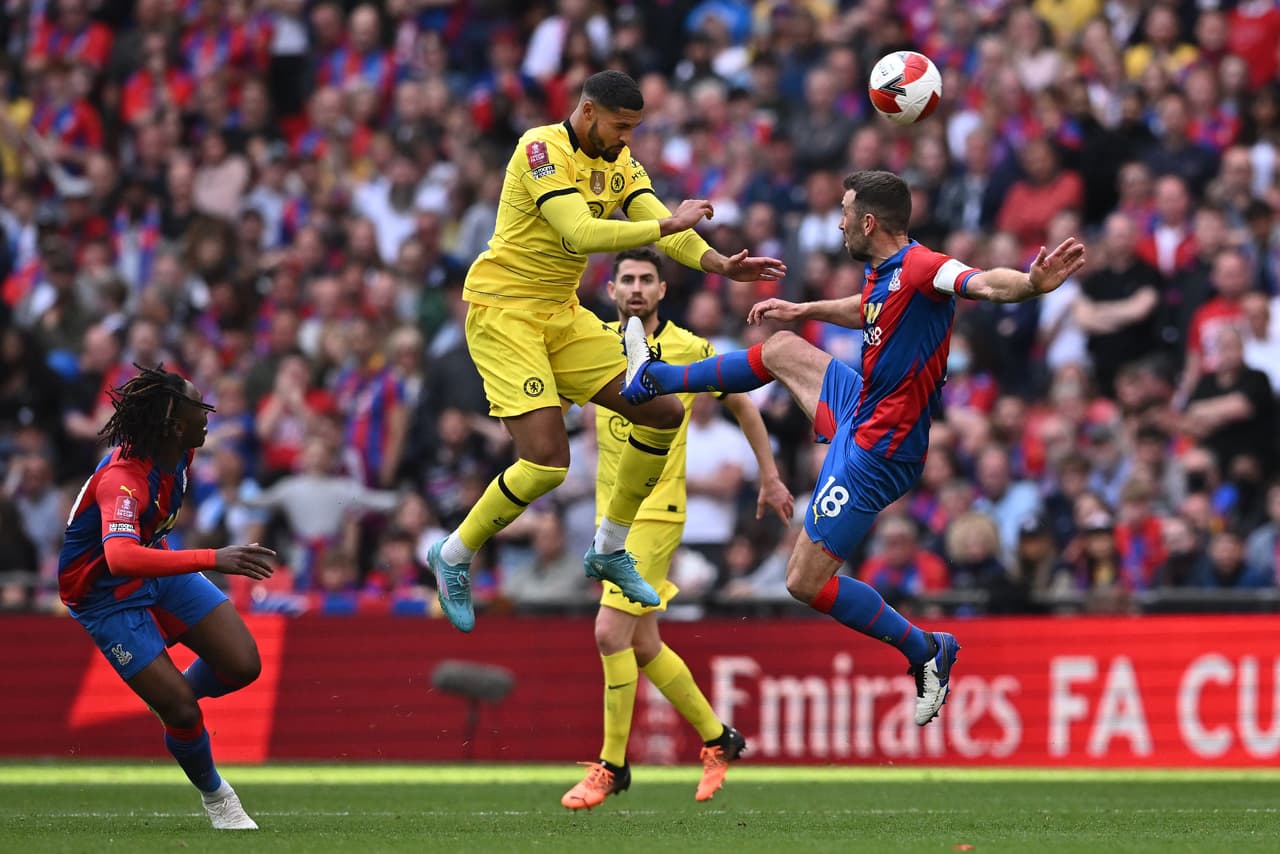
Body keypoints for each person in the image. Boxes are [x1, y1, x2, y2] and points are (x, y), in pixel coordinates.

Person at [622, 171, 1086, 724]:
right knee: (781, 347)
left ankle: (925, 649)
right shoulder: (882, 272)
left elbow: (984, 284)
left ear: (868, 221)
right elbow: (868, 309)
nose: (838, 222)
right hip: (860, 406)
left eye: (844, 212)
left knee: (803, 582)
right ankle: (653, 378)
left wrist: (1032, 284)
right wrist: (806, 309)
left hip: (879, 452)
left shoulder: (923, 267)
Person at [426, 70, 784, 633]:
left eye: (634, 129)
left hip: (562, 313)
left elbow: (662, 227)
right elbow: (581, 233)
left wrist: (720, 263)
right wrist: (666, 222)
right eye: (620, 126)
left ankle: (609, 547)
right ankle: (452, 554)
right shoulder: (540, 148)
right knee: (546, 462)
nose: (625, 138)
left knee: (663, 410)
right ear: (588, 112)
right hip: (505, 313)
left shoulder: (620, 161)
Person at [561, 247, 793, 810]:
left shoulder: (689, 348)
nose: (636, 288)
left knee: (609, 633)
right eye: (627, 280)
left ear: (663, 290)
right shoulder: (595, 344)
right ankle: (720, 738)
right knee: (642, 644)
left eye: (646, 279)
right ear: (612, 291)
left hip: (658, 511)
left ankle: (612, 766)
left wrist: (768, 474)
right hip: (609, 519)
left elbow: (741, 399)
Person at [56, 366, 277, 830]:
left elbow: (141, 547)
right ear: (174, 422)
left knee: (243, 664)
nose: (208, 415)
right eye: (201, 407)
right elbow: (119, 558)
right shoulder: (123, 479)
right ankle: (218, 798)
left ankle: (173, 704)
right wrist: (212, 558)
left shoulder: (179, 452)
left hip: (153, 563)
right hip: (103, 595)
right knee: (181, 709)